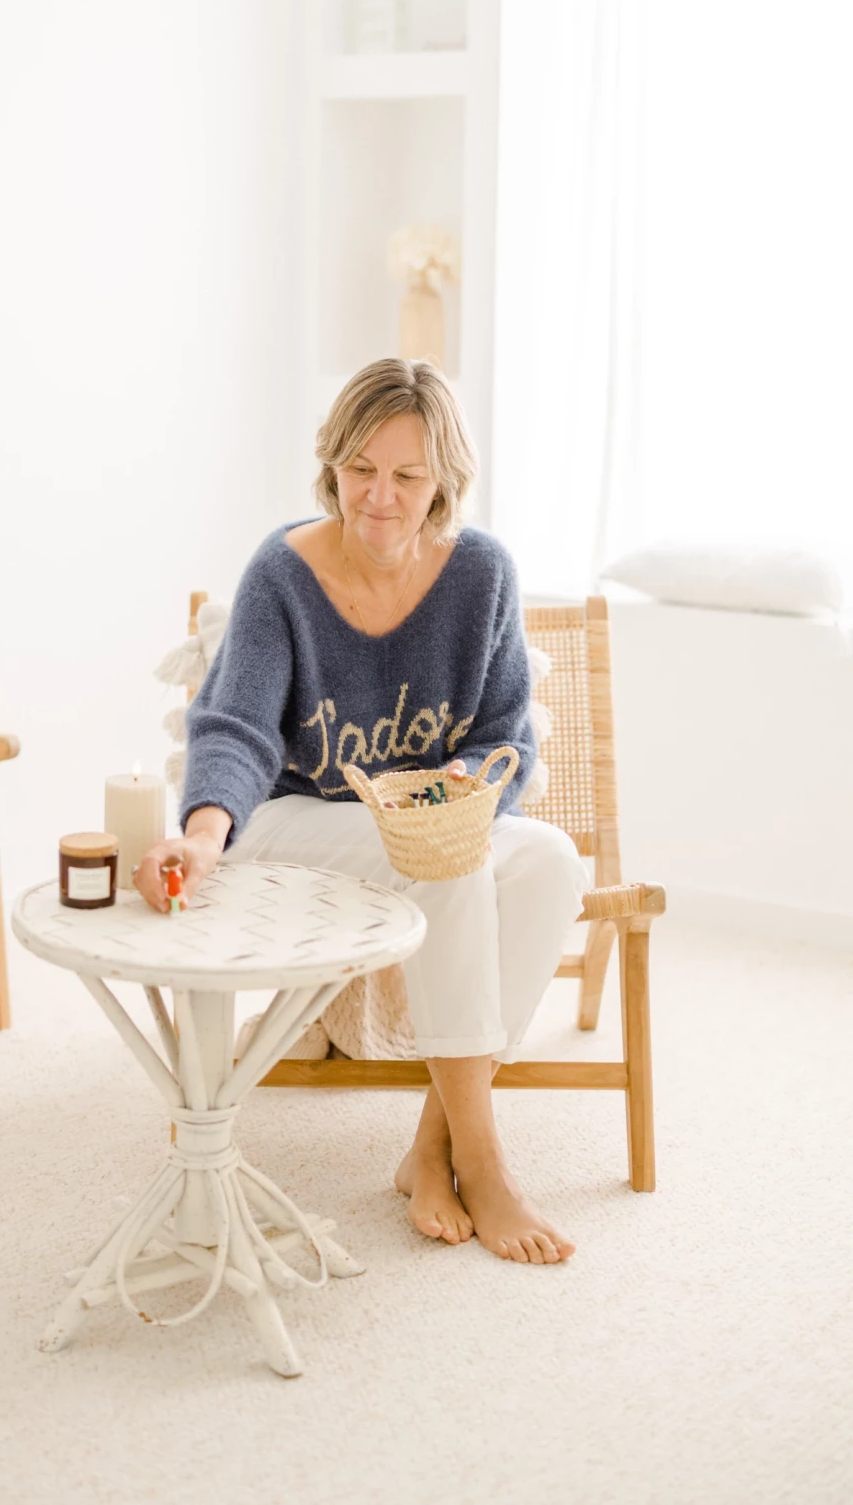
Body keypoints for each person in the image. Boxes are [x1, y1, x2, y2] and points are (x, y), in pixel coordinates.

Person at [134, 358, 589, 1264]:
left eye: (407, 476)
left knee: (549, 861)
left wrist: (451, 796)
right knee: (450, 863)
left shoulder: (482, 575)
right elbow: (234, 727)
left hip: (424, 823)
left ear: (443, 484)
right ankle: (486, 1162)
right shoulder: (283, 573)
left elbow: (505, 739)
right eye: (359, 469)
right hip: (294, 822)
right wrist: (202, 832)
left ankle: (431, 1146)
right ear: (332, 465)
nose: (378, 497)